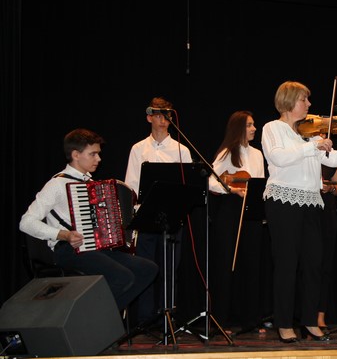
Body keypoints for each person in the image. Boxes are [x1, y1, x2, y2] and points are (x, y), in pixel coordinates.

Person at [261, 80, 337, 343]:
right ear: (289, 102)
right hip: (283, 201)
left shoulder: (311, 134)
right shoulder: (273, 128)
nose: (309, 104)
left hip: (311, 202)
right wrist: (312, 146)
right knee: (287, 264)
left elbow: (334, 159)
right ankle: (284, 323)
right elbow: (278, 157)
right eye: (304, 99)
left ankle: (309, 320)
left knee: (314, 264)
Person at [19, 128, 158, 312]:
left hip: (95, 249)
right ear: (76, 155)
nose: (98, 159)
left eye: (98, 154)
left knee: (148, 269)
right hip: (68, 250)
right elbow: (26, 222)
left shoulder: (92, 185)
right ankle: (90, 318)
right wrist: (64, 235)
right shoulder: (57, 184)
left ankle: (102, 317)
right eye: (93, 154)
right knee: (122, 277)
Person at [124, 96, 193, 326]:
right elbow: (131, 184)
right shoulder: (138, 149)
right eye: (159, 114)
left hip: (172, 215)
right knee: (146, 266)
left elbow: (187, 185)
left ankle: (167, 316)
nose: (164, 119)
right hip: (146, 215)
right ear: (149, 117)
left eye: (167, 115)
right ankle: (145, 318)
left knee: (170, 267)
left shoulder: (181, 149)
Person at [208, 110, 266, 334]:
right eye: (249, 125)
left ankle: (251, 319)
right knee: (226, 264)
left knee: (251, 265)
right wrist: (231, 189)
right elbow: (210, 181)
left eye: (253, 124)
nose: (254, 128)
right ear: (239, 128)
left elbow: (260, 183)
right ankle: (222, 320)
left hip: (250, 213)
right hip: (230, 211)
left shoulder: (258, 154)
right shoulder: (227, 152)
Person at [317, 164, 337, 332]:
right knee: (308, 266)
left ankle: (320, 315)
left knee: (325, 266)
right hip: (308, 212)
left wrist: (330, 188)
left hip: (327, 213)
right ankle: (305, 313)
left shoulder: (332, 160)